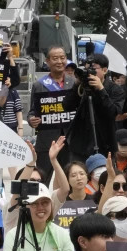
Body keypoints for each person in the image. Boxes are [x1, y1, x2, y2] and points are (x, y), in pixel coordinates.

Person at [4, 182, 74, 251]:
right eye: (34, 204)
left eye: (45, 202)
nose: (40, 207)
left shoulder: (62, 234)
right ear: (25, 206)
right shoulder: (13, 235)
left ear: (51, 204)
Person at [28, 46, 76, 178]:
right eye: (55, 58)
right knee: (44, 178)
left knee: (70, 177)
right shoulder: (39, 84)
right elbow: (32, 111)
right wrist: (32, 120)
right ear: (47, 61)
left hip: (70, 141)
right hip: (47, 141)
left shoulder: (74, 83)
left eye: (62, 58)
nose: (60, 61)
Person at [65, 53, 122, 162]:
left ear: (105, 70)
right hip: (80, 144)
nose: (89, 72)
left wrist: (101, 89)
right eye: (86, 69)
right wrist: (77, 84)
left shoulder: (115, 89)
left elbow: (112, 112)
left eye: (93, 69)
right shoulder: (82, 87)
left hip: (104, 143)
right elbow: (67, 106)